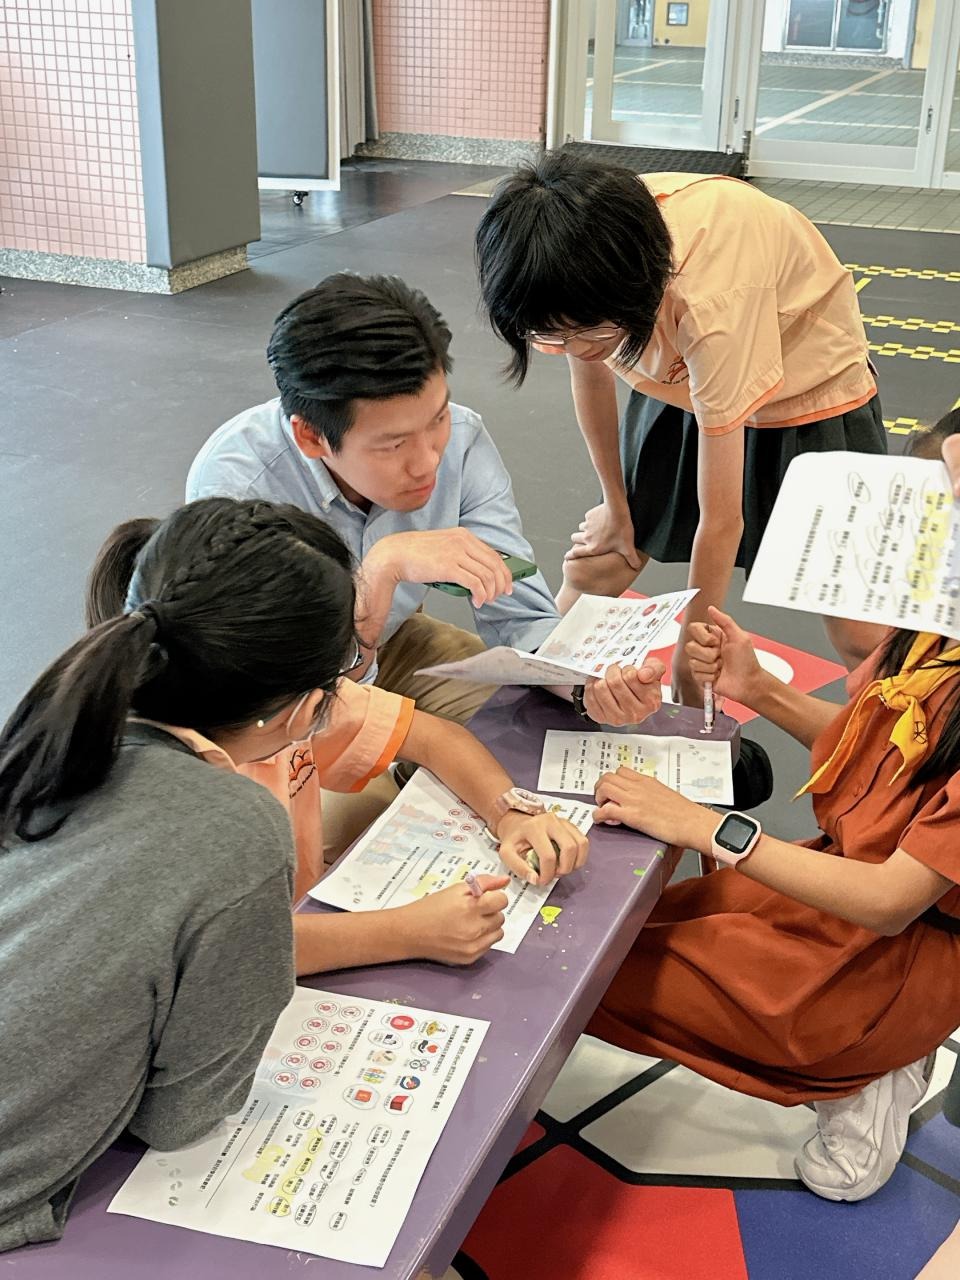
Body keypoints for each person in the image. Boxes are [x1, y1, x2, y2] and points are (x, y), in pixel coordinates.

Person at [0, 497, 589, 1250]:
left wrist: (509, 812)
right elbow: (179, 1117)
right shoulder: (232, 824)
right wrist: (402, 933)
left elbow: (427, 736)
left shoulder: (60, 725)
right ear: (300, 705)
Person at [186, 273, 662, 857]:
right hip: (284, 692)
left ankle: (416, 774)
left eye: (436, 418)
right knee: (325, 847)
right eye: (393, 445)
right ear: (311, 437)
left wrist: (588, 687)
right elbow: (289, 689)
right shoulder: (240, 490)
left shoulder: (462, 442)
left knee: (541, 729)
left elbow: (519, 616)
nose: (428, 459)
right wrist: (379, 572)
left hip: (397, 639)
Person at [475, 151, 889, 697]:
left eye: (586, 332)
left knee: (860, 631)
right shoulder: (578, 252)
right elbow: (590, 369)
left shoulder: (710, 302)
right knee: (604, 560)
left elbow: (722, 521)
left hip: (812, 392)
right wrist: (616, 507)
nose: (572, 348)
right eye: (551, 336)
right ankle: (531, 695)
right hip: (683, 380)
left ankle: (903, 734)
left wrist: (689, 673)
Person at [584, 602, 960, 1202]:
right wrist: (756, 686)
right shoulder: (935, 636)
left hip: (896, 949)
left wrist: (703, 825)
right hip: (839, 884)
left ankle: (863, 1073)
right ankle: (875, 1053)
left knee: (592, 977)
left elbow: (891, 901)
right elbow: (881, 750)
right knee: (628, 933)